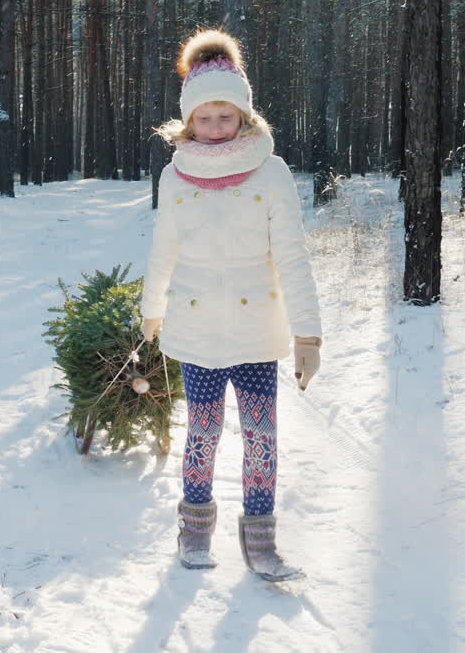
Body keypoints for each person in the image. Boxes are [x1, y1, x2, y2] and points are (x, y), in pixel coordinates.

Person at [140, 29, 322, 582]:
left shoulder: (272, 172)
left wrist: (308, 336)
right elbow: (163, 248)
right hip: (196, 332)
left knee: (262, 437)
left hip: (255, 332)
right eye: (204, 117)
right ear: (188, 120)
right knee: (202, 431)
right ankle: (194, 531)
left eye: (226, 116)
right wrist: (151, 310)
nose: (215, 128)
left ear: (243, 116)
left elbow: (292, 256)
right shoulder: (175, 176)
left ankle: (261, 542)